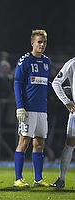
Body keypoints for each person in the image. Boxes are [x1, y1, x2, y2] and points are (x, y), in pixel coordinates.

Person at [13, 29, 52, 187]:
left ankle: (38, 179)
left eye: (44, 42)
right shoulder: (25, 61)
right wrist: (20, 107)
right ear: (32, 43)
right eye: (39, 42)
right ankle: (18, 179)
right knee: (24, 141)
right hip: (28, 109)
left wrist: (60, 89)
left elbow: (44, 84)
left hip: (42, 109)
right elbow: (17, 83)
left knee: (39, 143)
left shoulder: (47, 62)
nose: (42, 45)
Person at [51, 58, 75, 188]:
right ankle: (61, 178)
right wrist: (66, 101)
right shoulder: (72, 63)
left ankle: (61, 179)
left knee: (69, 145)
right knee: (70, 144)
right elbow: (56, 83)